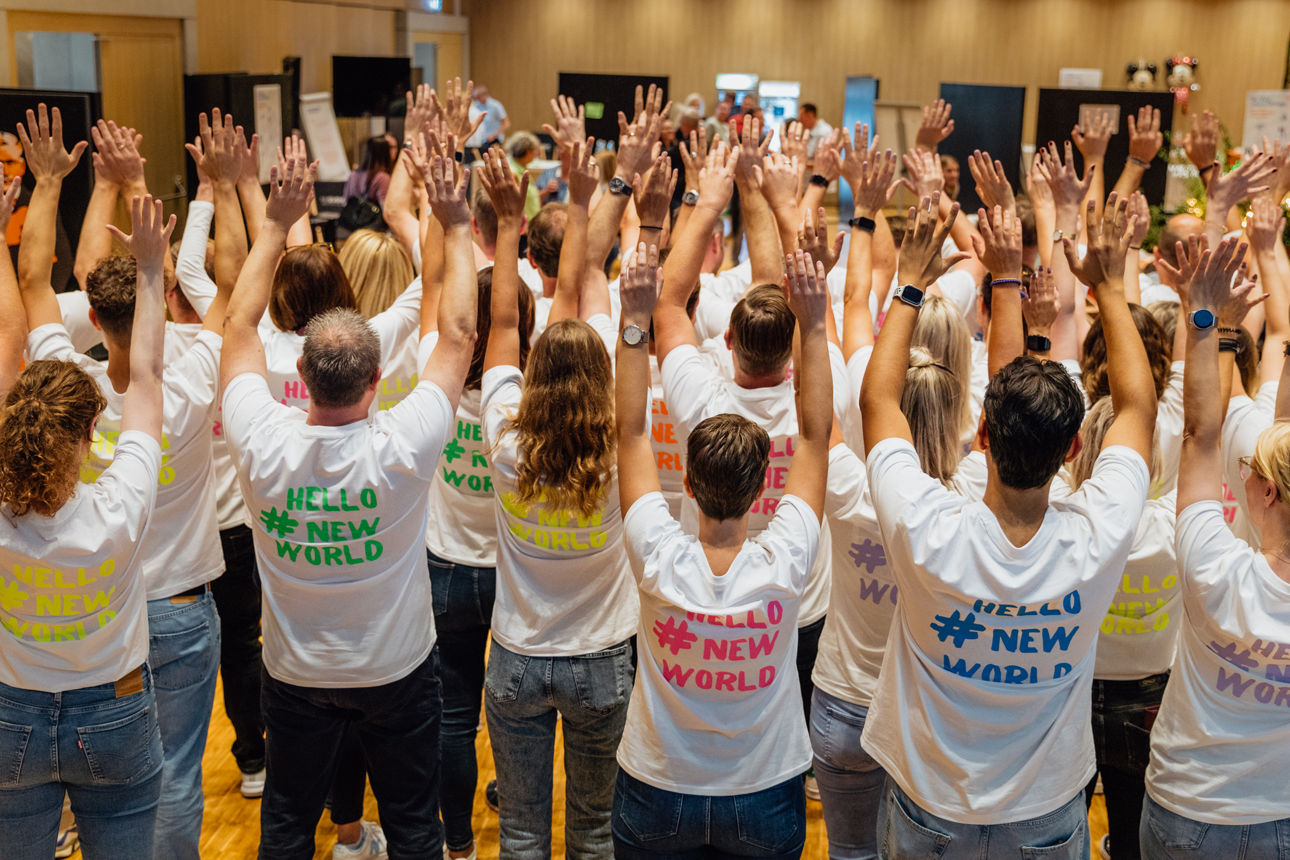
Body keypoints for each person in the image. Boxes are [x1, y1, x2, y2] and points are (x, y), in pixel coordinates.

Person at [858, 193, 1156, 857]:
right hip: (1044, 815)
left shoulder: (925, 525)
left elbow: (879, 398)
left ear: (982, 437)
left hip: (933, 806)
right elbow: (1138, 406)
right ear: (1076, 450)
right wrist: (1107, 285)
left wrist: (910, 280)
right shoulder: (1098, 536)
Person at [219, 143, 477, 859]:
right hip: (396, 670)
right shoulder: (404, 445)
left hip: (296, 676)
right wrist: (454, 224)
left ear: (299, 370)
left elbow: (237, 330)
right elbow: (458, 334)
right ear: (374, 383)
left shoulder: (261, 437)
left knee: (286, 826)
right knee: (415, 826)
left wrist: (274, 221)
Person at [19, 104, 230, 860]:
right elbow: (229, 296)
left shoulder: (60, 382)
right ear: (162, 297)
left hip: (87, 617)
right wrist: (209, 190)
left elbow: (35, 283)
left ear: (93, 314)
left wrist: (50, 185)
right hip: (176, 609)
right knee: (173, 777)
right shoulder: (197, 370)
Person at [611, 242, 832, 859]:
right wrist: (813, 322)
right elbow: (815, 437)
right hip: (763, 789)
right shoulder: (786, 556)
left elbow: (629, 431)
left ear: (685, 483)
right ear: (767, 488)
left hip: (658, 785)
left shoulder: (657, 551)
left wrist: (636, 319)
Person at [0, 176, 169, 860]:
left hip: (12, 714)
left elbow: (13, 334)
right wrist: (153, 272)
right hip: (116, 714)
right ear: (93, 429)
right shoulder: (121, 504)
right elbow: (149, 378)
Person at [477, 143, 638, 859]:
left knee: (518, 834)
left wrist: (513, 223)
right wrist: (607, 195)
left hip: (516, 656)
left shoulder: (504, 444)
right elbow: (592, 302)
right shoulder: (623, 452)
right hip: (603, 658)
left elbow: (507, 324)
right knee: (596, 831)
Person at [1140, 235, 1290, 858]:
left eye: (1252, 470)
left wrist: (1204, 318)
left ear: (1270, 496)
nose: (1243, 475)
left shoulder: (1214, 567)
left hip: (1190, 808)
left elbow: (1200, 437)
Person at [343, 135, 394, 211]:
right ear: (385, 152)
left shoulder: (353, 174)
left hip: (351, 220)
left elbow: (345, 202)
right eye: (390, 148)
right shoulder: (382, 178)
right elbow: (386, 209)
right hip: (373, 222)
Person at [467, 84, 510, 152]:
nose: (477, 99)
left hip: (494, 140)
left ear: (485, 95)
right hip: (481, 140)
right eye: (476, 97)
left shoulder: (496, 105)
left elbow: (506, 123)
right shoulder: (476, 105)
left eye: (478, 97)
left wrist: (495, 135)